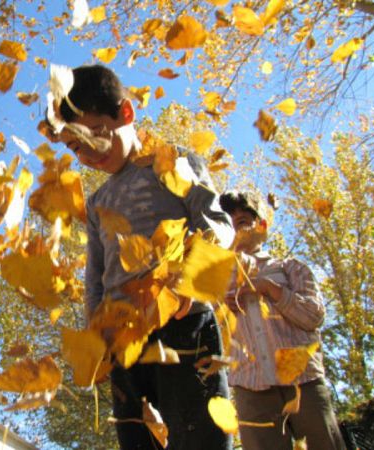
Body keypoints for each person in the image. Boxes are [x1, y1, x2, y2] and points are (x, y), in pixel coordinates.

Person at [41, 64, 233, 450]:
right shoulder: (96, 203)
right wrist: (96, 334)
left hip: (182, 325)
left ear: (125, 114)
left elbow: (218, 224)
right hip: (123, 339)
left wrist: (191, 281)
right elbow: (95, 277)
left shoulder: (171, 163)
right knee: (137, 439)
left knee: (200, 437)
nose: (88, 152)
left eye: (95, 134)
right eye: (76, 146)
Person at [221, 191, 346, 450]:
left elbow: (313, 316)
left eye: (243, 221)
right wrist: (221, 308)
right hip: (250, 389)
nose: (237, 231)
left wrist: (270, 288)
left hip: (304, 382)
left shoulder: (291, 268)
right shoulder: (216, 284)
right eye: (228, 225)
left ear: (261, 225)